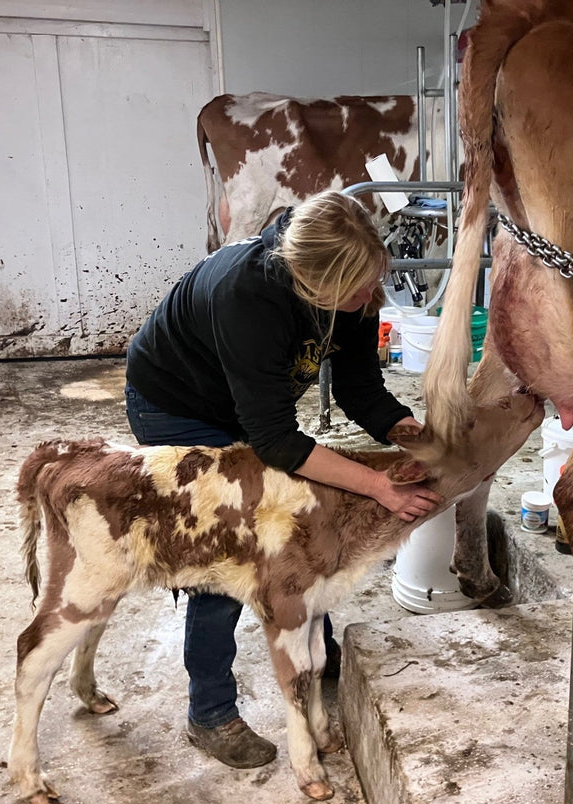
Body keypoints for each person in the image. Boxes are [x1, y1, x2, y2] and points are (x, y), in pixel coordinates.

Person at [124, 190, 442, 770]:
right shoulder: (247, 297)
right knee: (226, 557)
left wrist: (411, 431)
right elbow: (275, 440)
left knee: (302, 532)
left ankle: (309, 642)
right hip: (178, 405)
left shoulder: (347, 283)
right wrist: (375, 486)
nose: (371, 298)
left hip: (248, 409)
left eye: (373, 283)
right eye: (359, 291)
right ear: (312, 286)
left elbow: (359, 388)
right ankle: (211, 712)